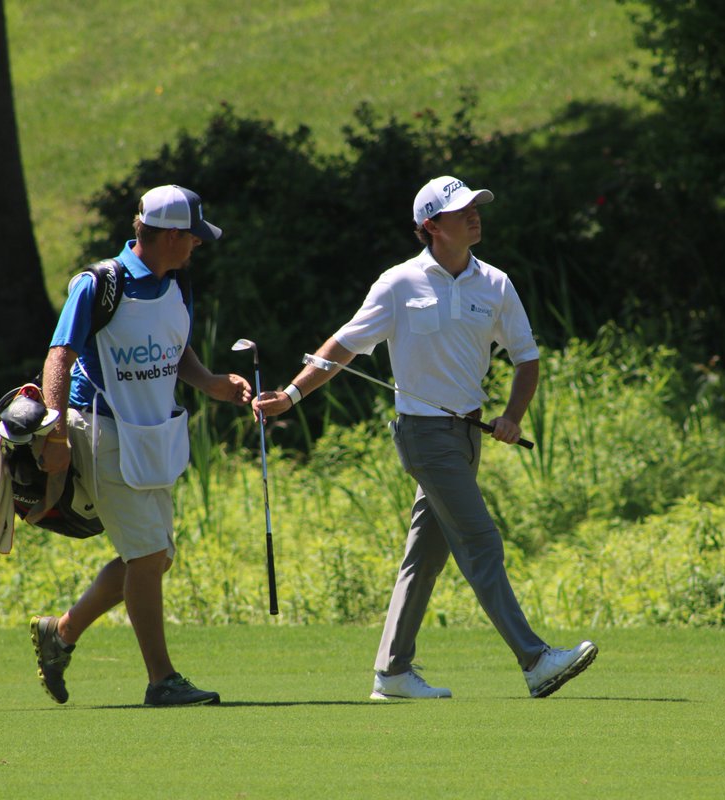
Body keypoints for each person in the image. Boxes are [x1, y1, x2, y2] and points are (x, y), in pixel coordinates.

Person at [255, 176, 598, 699]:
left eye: (475, 207)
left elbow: (526, 358)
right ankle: (534, 660)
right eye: (461, 211)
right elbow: (341, 347)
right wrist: (291, 396)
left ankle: (392, 673)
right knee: (481, 540)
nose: (474, 215)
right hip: (423, 433)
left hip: (468, 435)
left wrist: (512, 415)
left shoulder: (496, 283)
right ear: (430, 227)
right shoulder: (398, 283)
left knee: (426, 556)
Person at [32, 184, 251, 706]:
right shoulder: (97, 284)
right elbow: (58, 358)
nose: (198, 245)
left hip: (153, 434)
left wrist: (213, 383)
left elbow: (176, 351)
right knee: (148, 555)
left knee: (152, 558)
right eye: (193, 236)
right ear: (170, 235)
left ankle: (59, 634)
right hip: (101, 430)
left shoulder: (177, 283)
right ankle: (162, 681)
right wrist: (56, 431)